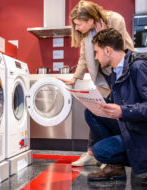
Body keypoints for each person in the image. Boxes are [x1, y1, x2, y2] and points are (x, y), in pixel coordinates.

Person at [85, 27, 147, 186]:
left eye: (97, 52)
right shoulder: (117, 71)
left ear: (108, 50)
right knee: (91, 112)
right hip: (135, 124)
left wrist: (123, 110)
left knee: (100, 151)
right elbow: (124, 101)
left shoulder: (139, 66)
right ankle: (115, 167)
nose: (95, 57)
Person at [59, 0, 134, 167]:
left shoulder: (116, 20)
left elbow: (118, 51)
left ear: (91, 20)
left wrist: (104, 35)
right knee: (96, 111)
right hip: (103, 77)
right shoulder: (87, 34)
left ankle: (107, 156)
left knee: (112, 114)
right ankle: (96, 154)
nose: (77, 28)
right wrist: (75, 78)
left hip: (121, 74)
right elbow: (84, 57)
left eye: (79, 24)